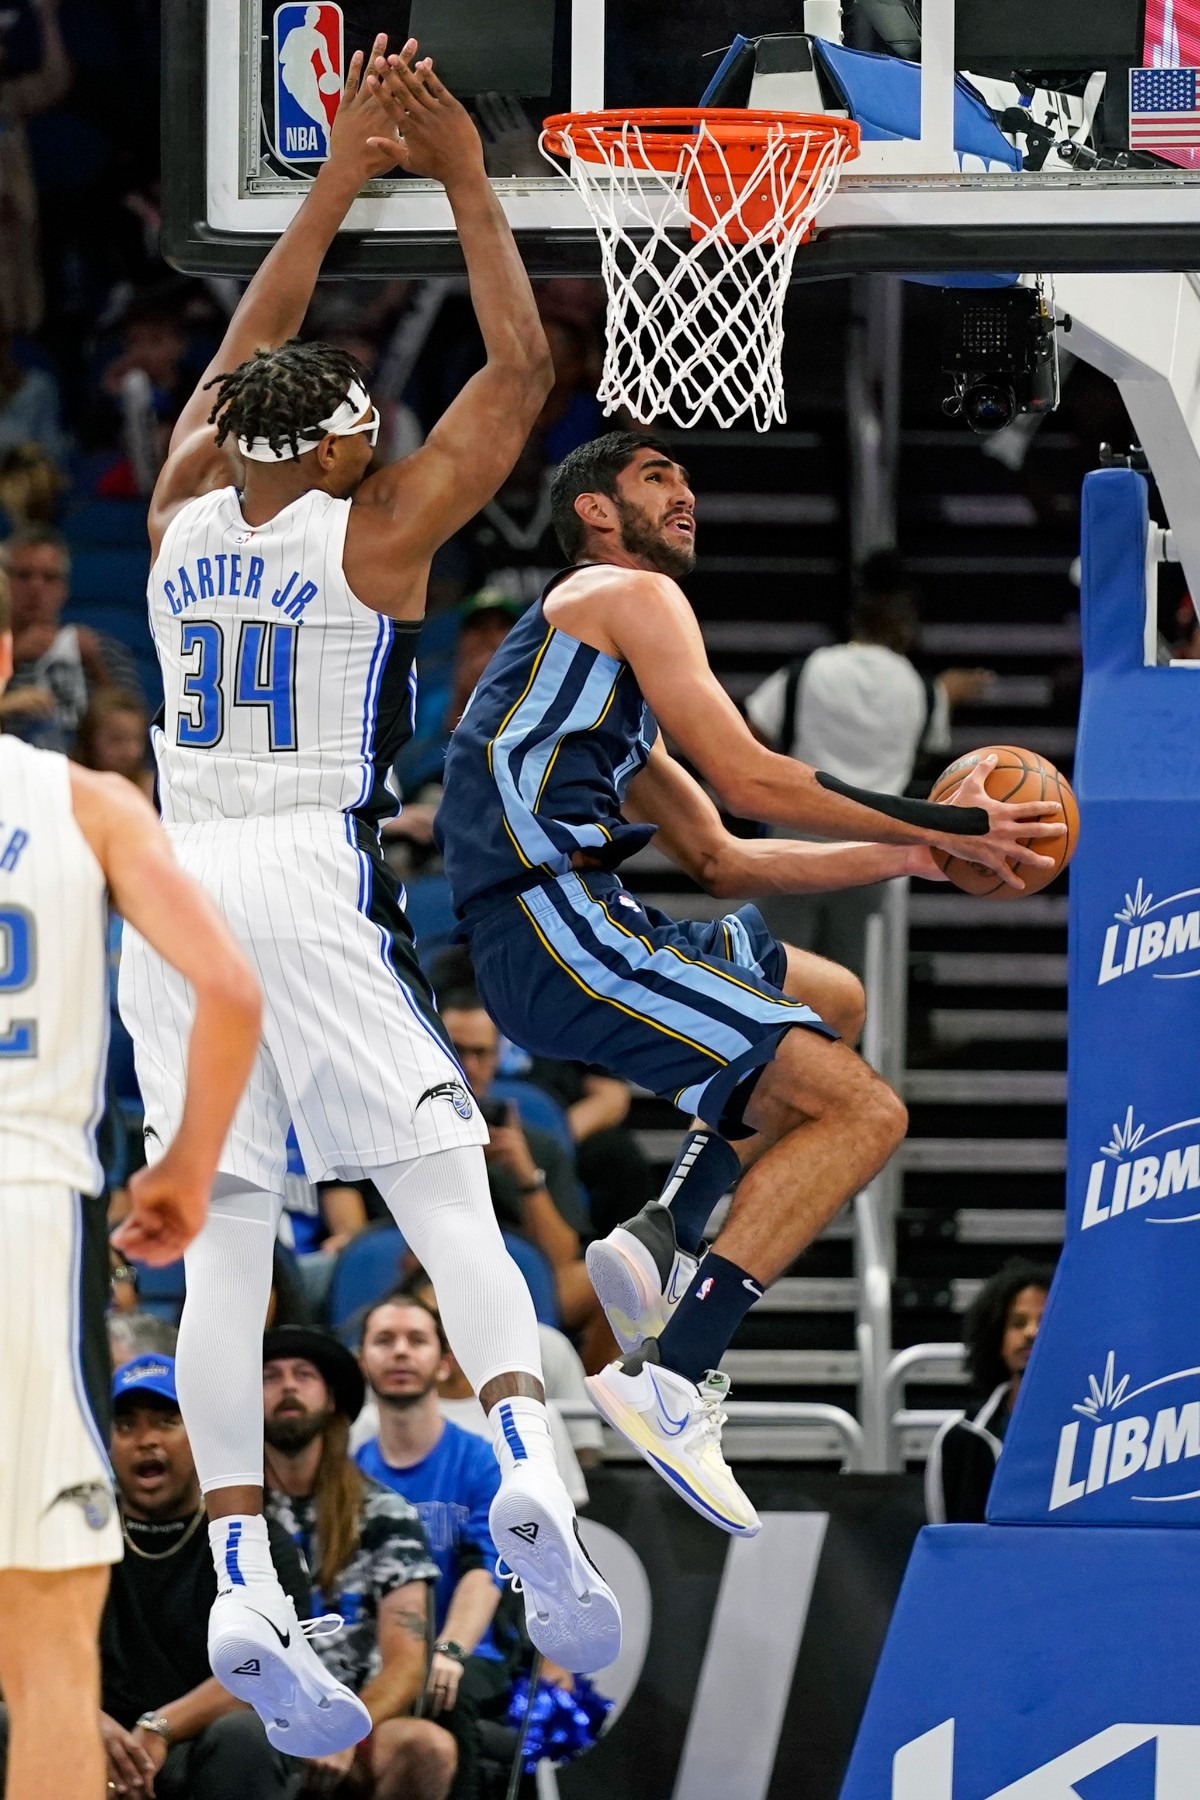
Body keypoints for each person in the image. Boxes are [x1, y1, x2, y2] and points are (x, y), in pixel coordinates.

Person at [116, 30, 619, 1756]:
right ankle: (537, 1463)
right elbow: (526, 366)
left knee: (226, 1251)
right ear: (338, 444)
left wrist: (336, 175)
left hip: (171, 890)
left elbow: (238, 360)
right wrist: (467, 171)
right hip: (302, 877)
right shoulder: (379, 525)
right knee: (445, 1181)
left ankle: (247, 1573)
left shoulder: (185, 504)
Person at [436, 428, 1067, 1537]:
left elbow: (729, 854)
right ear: (593, 510)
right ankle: (672, 1375)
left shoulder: (598, 700)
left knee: (834, 999)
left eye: (686, 477)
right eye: (654, 477)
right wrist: (956, 816)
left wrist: (909, 858)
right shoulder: (619, 593)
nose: (686, 493)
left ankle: (666, 1232)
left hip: (562, 930)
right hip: (559, 926)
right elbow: (751, 770)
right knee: (865, 1111)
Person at [0, 571, 261, 1800]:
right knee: (48, 1650)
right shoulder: (90, 802)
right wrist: (187, 1171)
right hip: (26, 1205)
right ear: (11, 652)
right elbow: (231, 992)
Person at [744, 550, 995, 976]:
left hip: (796, 841)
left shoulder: (808, 671)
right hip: (874, 852)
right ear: (904, 628)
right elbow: (930, 744)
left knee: (774, 974)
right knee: (853, 981)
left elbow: (752, 736)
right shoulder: (922, 689)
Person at [261, 1327, 457, 1800]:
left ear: (331, 1400)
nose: (288, 1385)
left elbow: (408, 1663)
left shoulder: (384, 1512)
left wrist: (342, 1728)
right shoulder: (229, 1516)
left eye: (304, 1375)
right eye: (269, 1376)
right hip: (253, 1716)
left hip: (356, 1719)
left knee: (426, 1745)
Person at [100, 1355, 304, 1800]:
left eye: (167, 1421)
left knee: (246, 1733)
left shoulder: (253, 1537)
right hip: (95, 1739)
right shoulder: (76, 1536)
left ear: (199, 1437)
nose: (146, 1441)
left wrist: (160, 1727)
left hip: (203, 1742)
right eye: (127, 1426)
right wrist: (83, 1720)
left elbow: (275, 1665)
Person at [356, 1295, 518, 1789]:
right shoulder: (352, 1472)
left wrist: (448, 1649)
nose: (401, 1352)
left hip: (471, 1654)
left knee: (444, 1691)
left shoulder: (482, 1461)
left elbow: (485, 1566)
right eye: (385, 1341)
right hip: (376, 1656)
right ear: (362, 1361)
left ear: (444, 1363)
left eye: (417, 1340)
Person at [437, 986, 614, 1369]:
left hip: (527, 1274)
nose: (468, 1065)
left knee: (626, 1280)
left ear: (497, 1056)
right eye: (456, 1050)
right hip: (433, 1274)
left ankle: (584, 1407)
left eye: (480, 1053)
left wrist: (524, 1173)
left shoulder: (538, 1145)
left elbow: (560, 1260)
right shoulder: (405, 1134)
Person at [925, 1262, 1053, 1525]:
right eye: (1018, 1323)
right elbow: (942, 1534)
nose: (1031, 1332)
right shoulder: (959, 1437)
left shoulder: (1092, 1431)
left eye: (1045, 1321)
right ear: (996, 1339)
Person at [0, 526, 140, 751]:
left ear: (64, 588)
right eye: (24, 575)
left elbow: (135, 735)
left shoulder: (102, 649)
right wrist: (11, 659)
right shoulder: (3, 652)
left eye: (50, 578)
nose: (36, 587)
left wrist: (96, 664)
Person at [74, 688, 155, 797]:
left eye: (137, 739)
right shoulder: (69, 789)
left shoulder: (156, 791)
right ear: (90, 739)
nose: (132, 752)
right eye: (117, 739)